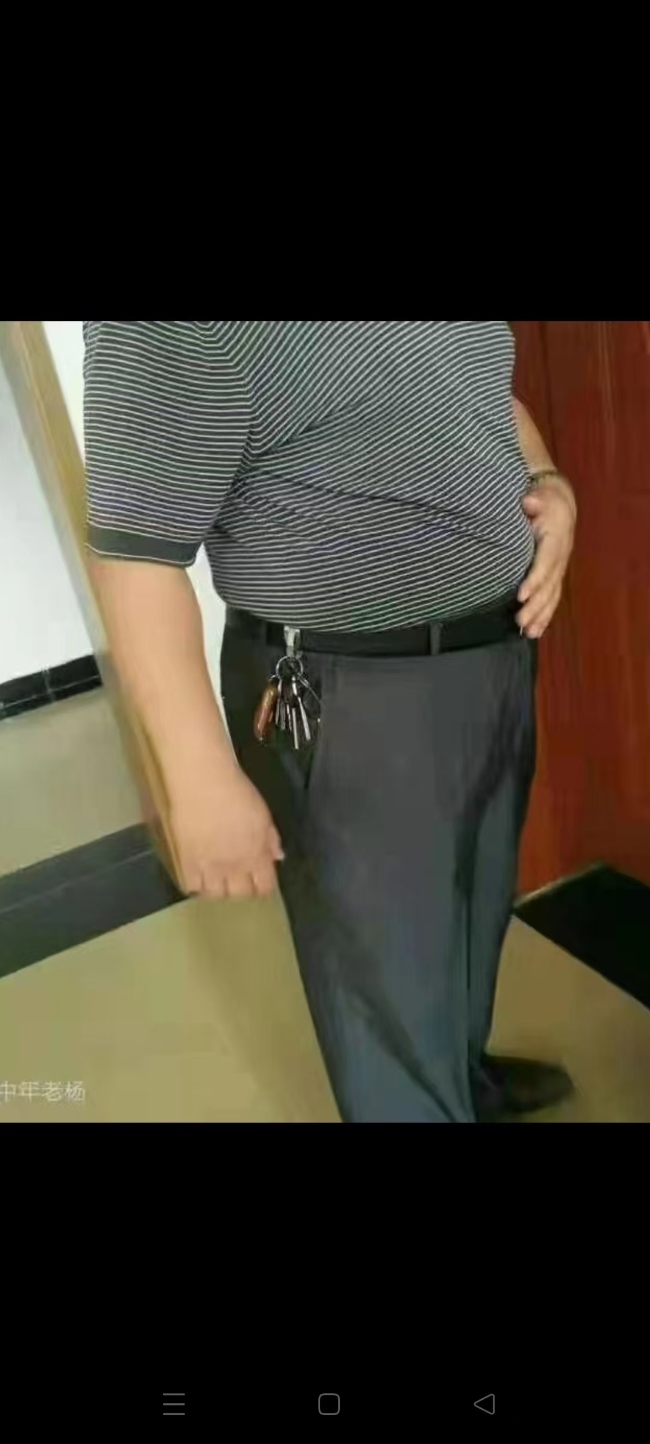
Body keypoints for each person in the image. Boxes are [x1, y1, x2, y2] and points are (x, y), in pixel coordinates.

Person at [83, 321, 577, 1124]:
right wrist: (198, 782)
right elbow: (136, 559)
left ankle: (459, 1082)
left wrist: (547, 479)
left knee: (471, 914)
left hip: (496, 650)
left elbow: (483, 390)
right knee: (381, 976)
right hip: (345, 690)